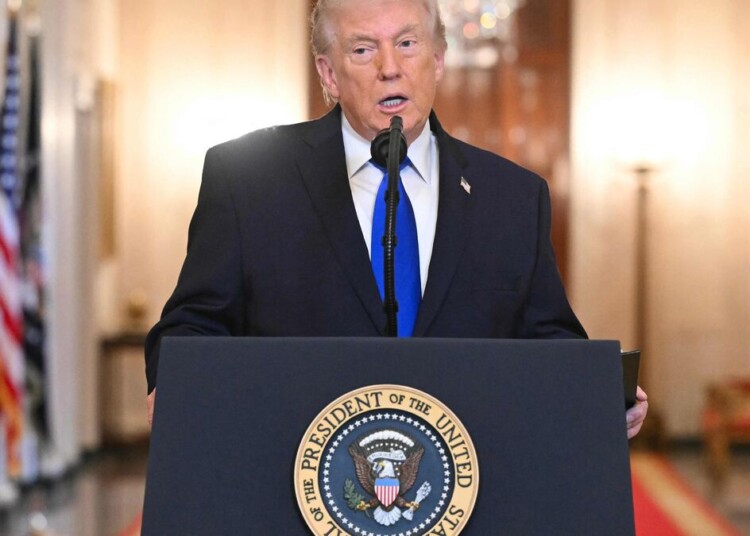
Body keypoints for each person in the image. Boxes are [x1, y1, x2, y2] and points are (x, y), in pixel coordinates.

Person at [145, 0, 648, 438]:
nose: (390, 67)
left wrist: (600, 393)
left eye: (407, 43)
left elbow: (551, 342)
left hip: (470, 485)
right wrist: (177, 382)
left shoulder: (513, 197)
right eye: (363, 49)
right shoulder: (248, 180)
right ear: (328, 74)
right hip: (293, 476)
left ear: (439, 59)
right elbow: (193, 324)